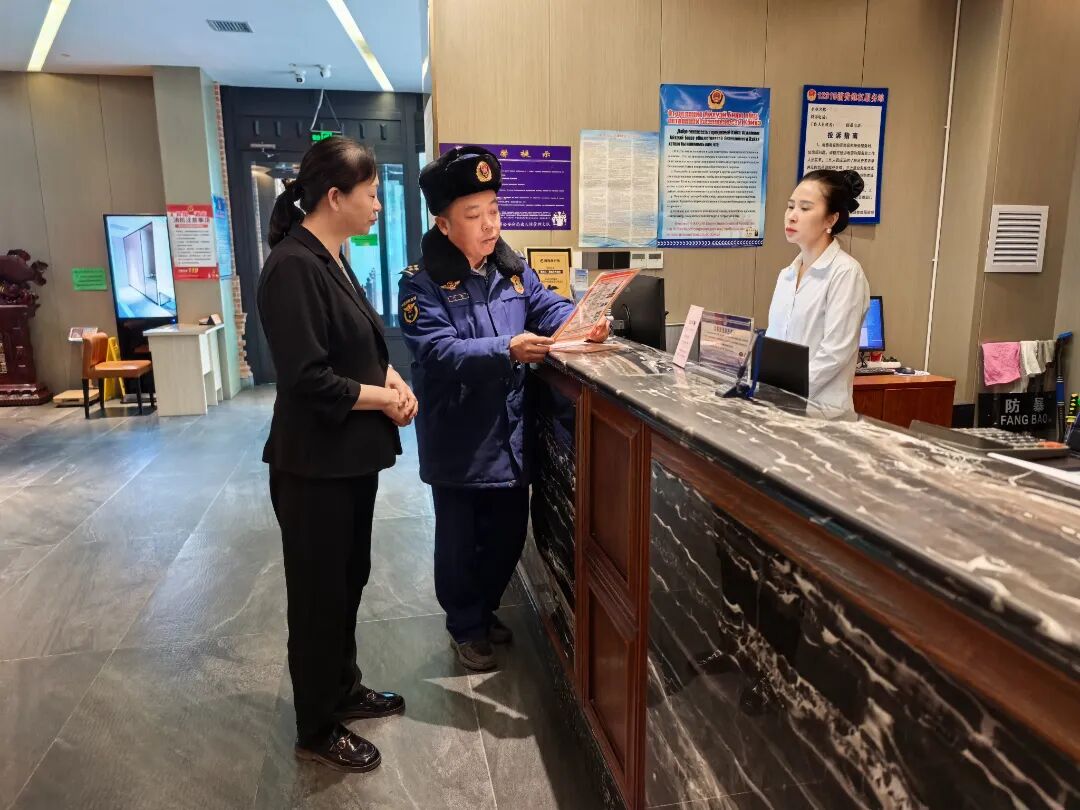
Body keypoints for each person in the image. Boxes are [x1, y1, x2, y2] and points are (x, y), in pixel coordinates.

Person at [399, 146, 608, 672]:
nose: (490, 225)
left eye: (494, 210)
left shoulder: (511, 271)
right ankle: (465, 625)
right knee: (460, 543)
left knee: (508, 536)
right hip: (460, 440)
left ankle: (485, 607)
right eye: (474, 215)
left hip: (510, 438)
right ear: (444, 224)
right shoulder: (420, 282)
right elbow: (438, 351)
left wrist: (581, 322)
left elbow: (547, 306)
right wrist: (506, 349)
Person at [258, 135, 418, 773]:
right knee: (318, 595)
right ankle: (317, 724)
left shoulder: (333, 256)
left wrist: (392, 379)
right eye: (371, 194)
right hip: (313, 467)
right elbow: (308, 378)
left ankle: (343, 687)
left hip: (348, 460)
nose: (378, 205)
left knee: (348, 579)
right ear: (334, 196)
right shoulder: (292, 267)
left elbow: (361, 345)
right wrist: (383, 399)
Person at [766, 169, 871, 413]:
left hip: (822, 415)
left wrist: (788, 392)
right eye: (790, 206)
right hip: (780, 409)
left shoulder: (846, 273)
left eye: (804, 208)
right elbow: (775, 343)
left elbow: (835, 353)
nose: (792, 216)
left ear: (830, 220)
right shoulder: (787, 275)